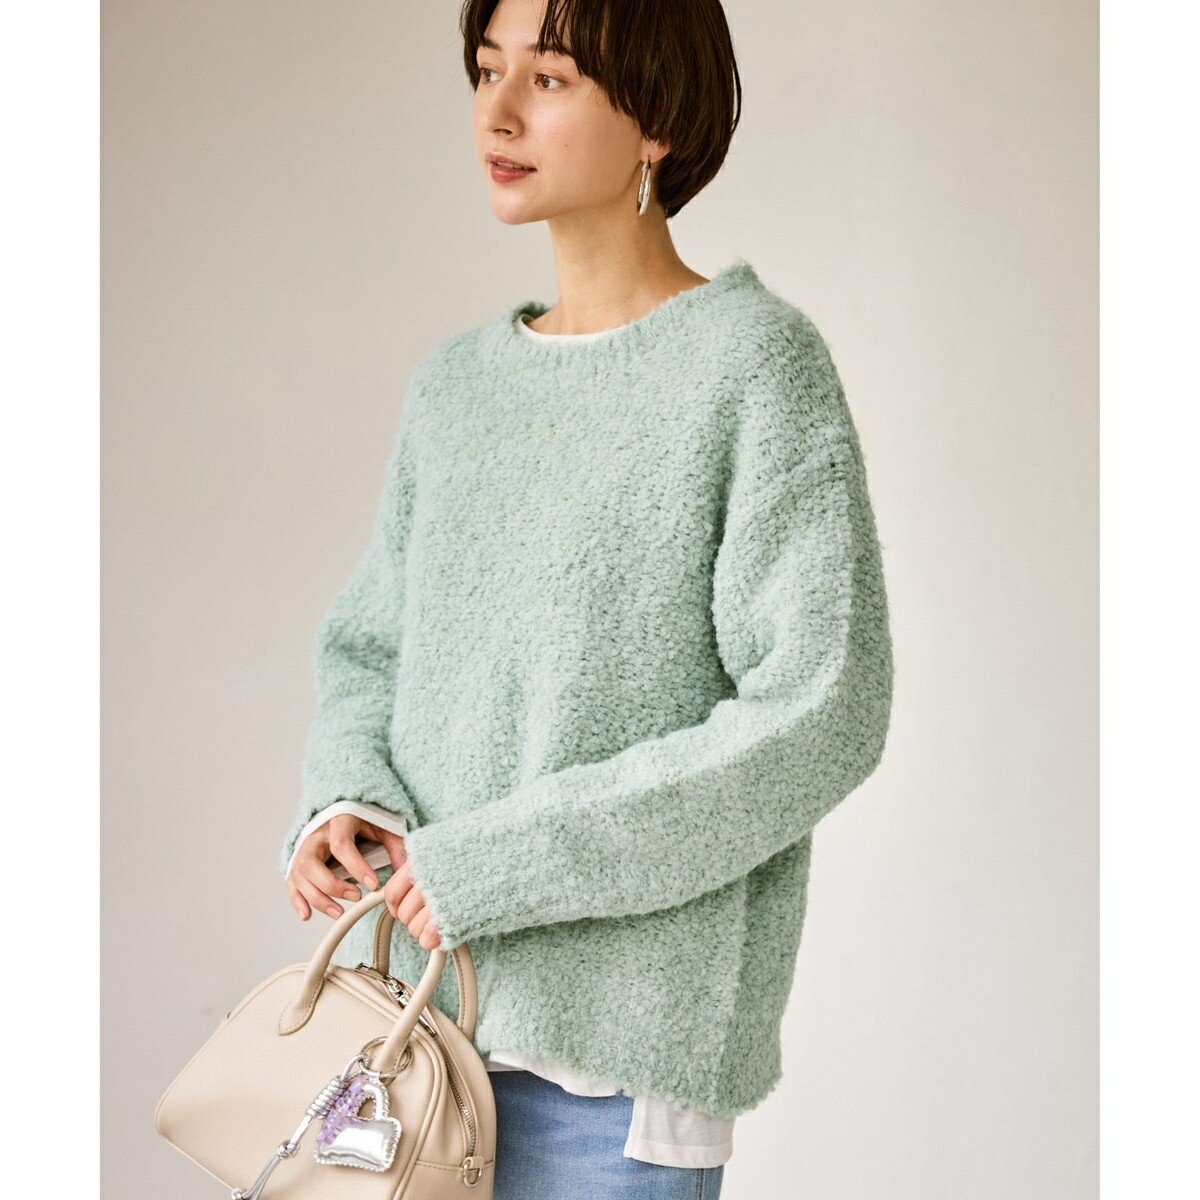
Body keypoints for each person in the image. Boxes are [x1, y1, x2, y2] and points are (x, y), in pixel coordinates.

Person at [280, 1, 894, 1196]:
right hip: (405, 1039)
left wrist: (496, 865)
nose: (498, 114)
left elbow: (822, 710)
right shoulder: (455, 388)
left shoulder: (751, 364)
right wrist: (343, 800)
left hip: (608, 1076)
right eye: (486, 71)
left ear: (658, 119)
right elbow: (368, 648)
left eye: (550, 78)